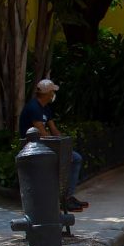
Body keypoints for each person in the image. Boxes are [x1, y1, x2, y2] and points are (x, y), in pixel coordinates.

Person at [18, 79, 87, 213]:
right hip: (35, 148)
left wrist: (64, 144)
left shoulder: (45, 108)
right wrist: (60, 147)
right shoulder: (33, 108)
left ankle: (67, 196)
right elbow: (42, 133)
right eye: (52, 92)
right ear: (47, 93)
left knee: (75, 158)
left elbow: (53, 129)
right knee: (72, 159)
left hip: (45, 145)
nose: (53, 95)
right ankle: (63, 198)